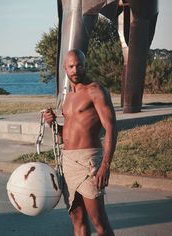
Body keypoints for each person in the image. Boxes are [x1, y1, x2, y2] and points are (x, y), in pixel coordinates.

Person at [43, 49, 117, 236]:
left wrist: (105, 165)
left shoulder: (95, 91)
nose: (75, 69)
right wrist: (52, 123)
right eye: (71, 66)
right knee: (77, 218)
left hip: (88, 160)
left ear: (85, 66)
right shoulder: (67, 98)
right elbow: (65, 135)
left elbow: (111, 128)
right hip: (68, 161)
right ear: (64, 68)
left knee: (99, 222)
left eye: (79, 65)